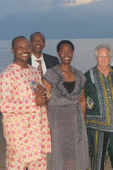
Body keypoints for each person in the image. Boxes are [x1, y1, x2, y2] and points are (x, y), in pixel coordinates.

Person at [0, 36, 51, 170]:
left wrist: (43, 92)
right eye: (20, 47)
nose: (25, 50)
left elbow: (44, 96)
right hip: (19, 137)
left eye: (27, 47)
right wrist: (34, 102)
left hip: (38, 134)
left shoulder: (33, 71)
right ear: (12, 50)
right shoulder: (8, 75)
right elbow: (5, 105)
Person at [42, 40, 89, 170]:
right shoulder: (51, 74)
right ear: (59, 54)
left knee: (72, 156)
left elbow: (82, 100)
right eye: (63, 52)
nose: (66, 54)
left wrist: (82, 123)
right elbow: (44, 101)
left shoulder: (79, 75)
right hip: (56, 122)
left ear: (72, 53)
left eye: (69, 51)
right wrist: (46, 125)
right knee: (56, 154)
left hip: (74, 122)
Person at [85, 43, 113, 170]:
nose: (103, 59)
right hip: (98, 127)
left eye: (106, 56)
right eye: (100, 56)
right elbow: (82, 99)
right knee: (98, 160)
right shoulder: (88, 75)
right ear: (96, 58)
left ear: (110, 57)